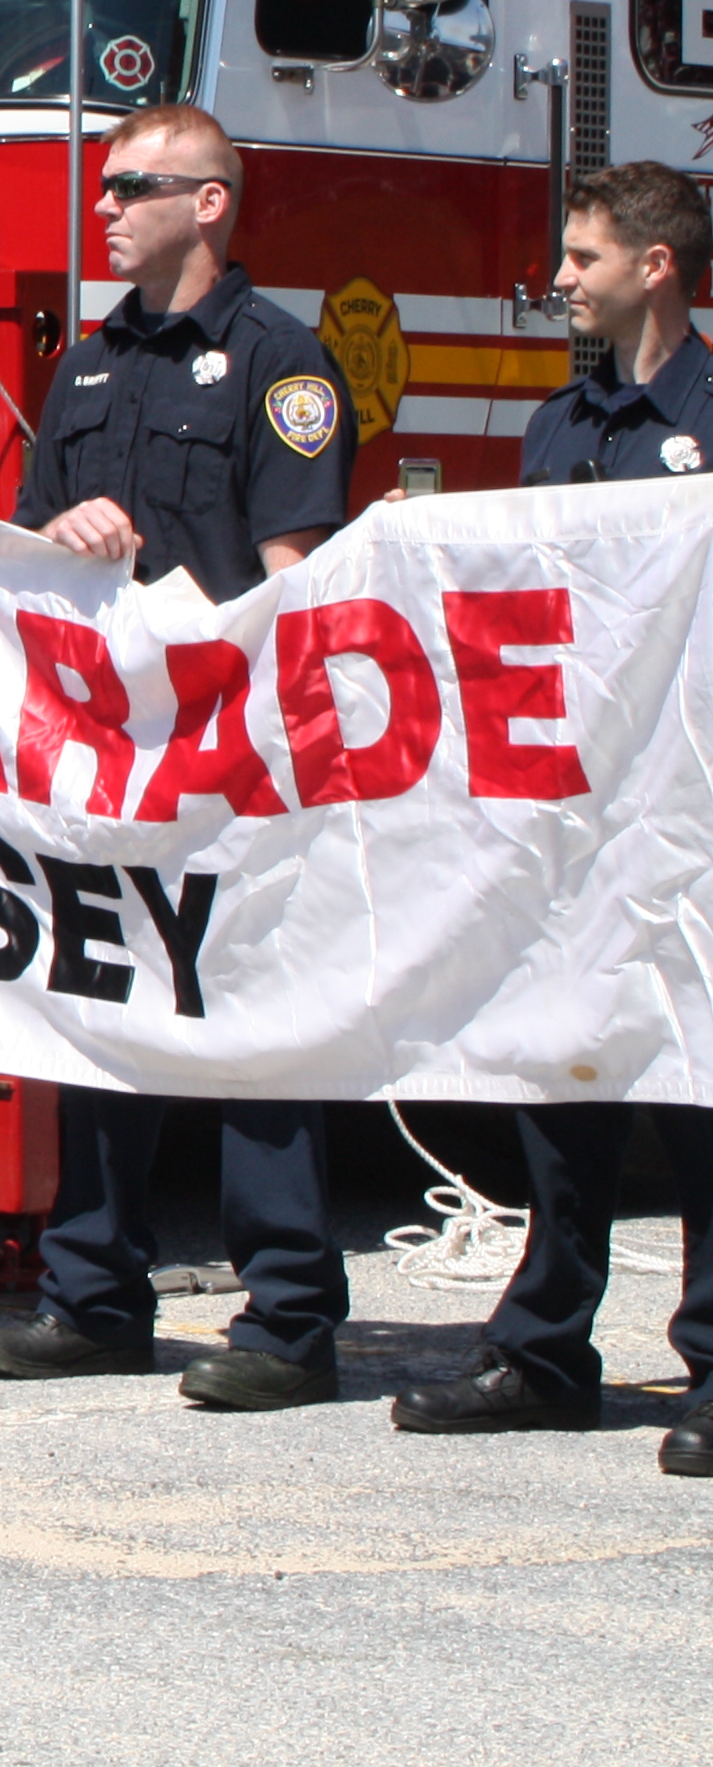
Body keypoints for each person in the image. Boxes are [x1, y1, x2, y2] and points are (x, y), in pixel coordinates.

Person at [0, 103, 350, 1407]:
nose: (104, 204)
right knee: (102, 1022)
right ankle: (93, 1298)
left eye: (134, 185)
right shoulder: (81, 366)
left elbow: (295, 574)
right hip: (109, 757)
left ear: (210, 203)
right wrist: (62, 534)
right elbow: (23, 555)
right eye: (107, 185)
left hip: (232, 757)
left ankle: (288, 1320)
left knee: (250, 1034)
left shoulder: (279, 367)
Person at [395, 160, 713, 1467]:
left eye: (583, 258)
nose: (561, 280)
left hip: (692, 806)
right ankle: (542, 1349)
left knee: (696, 1089)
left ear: (656, 266)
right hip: (576, 812)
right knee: (559, 1074)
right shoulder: (557, 426)